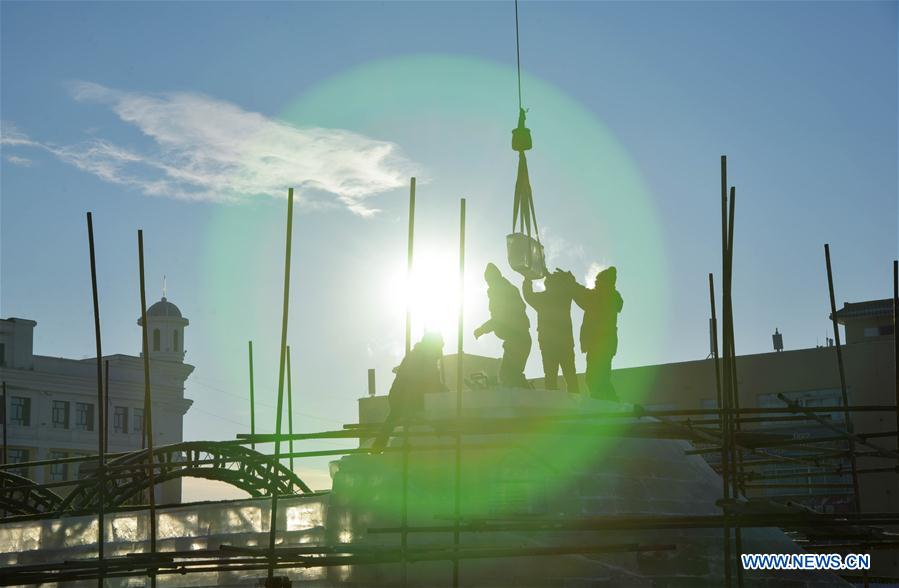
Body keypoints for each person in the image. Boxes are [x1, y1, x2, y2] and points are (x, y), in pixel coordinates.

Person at [371, 332, 446, 453]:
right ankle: (384, 446)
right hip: (405, 397)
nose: (440, 351)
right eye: (439, 347)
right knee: (399, 417)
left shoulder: (420, 355)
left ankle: (378, 446)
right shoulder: (422, 357)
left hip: (402, 396)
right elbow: (431, 381)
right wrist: (445, 392)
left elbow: (432, 381)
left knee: (393, 418)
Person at [473, 263, 531, 388]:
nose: (488, 283)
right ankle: (526, 395)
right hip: (519, 339)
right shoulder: (508, 289)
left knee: (508, 374)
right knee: (512, 374)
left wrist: (481, 330)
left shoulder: (499, 292)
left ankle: (524, 399)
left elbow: (499, 318)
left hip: (517, 339)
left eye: (488, 280)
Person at [522, 270, 579, 393]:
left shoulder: (543, 299)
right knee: (570, 376)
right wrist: (565, 276)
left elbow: (528, 295)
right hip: (564, 343)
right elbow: (570, 284)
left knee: (551, 377)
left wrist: (527, 279)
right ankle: (577, 401)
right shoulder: (564, 296)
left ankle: (557, 400)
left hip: (549, 345)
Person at [572, 266, 623, 401]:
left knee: (594, 378)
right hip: (606, 343)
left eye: (597, 281)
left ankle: (606, 403)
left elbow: (584, 296)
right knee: (602, 377)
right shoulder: (610, 296)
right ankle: (610, 402)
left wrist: (571, 283)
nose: (595, 283)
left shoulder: (602, 296)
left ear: (604, 282)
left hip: (599, 343)